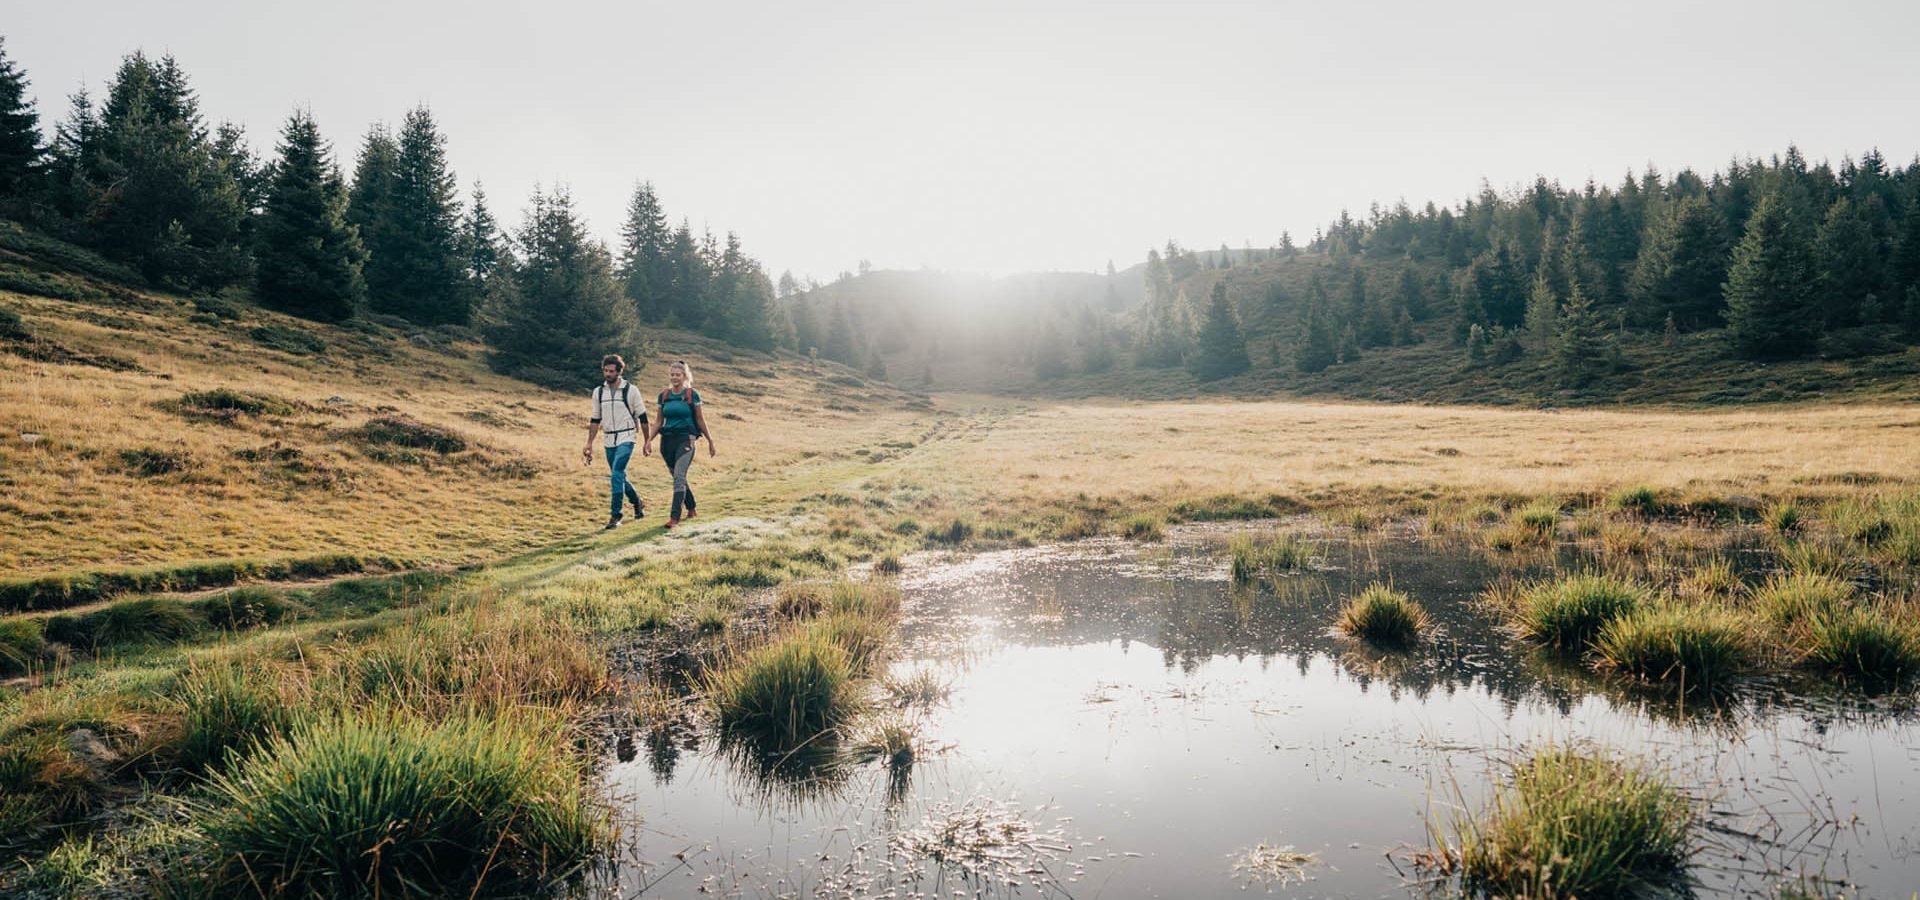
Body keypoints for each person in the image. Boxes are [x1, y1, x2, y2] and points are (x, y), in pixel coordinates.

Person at [581, 354, 649, 530]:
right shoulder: (599, 392)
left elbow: (642, 416)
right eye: (605, 370)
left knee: (617, 472)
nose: (608, 374)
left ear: (619, 372)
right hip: (609, 438)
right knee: (619, 476)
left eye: (611, 371)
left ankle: (616, 515)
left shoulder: (631, 390)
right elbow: (595, 419)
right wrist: (589, 443)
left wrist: (647, 440)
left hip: (627, 436)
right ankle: (638, 502)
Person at [646, 360, 715, 528]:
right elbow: (658, 421)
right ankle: (691, 508)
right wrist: (648, 440)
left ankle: (674, 518)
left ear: (684, 376)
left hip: (686, 438)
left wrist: (710, 440)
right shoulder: (663, 395)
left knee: (678, 477)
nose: (674, 377)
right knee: (679, 476)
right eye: (672, 375)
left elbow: (700, 419)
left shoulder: (692, 394)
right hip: (667, 441)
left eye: (678, 375)